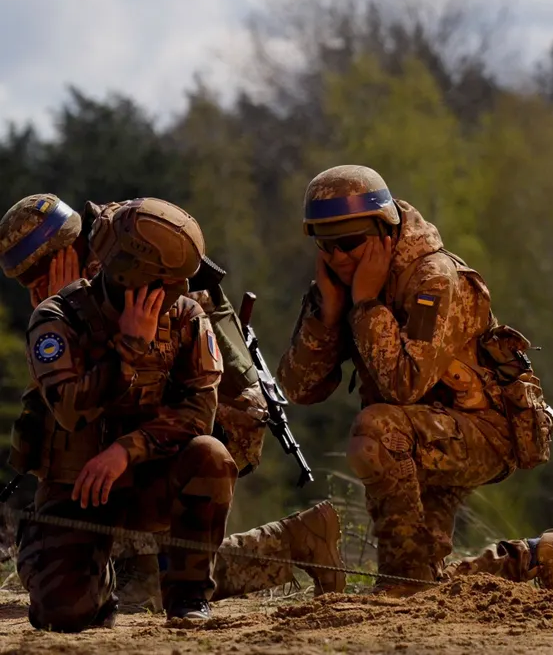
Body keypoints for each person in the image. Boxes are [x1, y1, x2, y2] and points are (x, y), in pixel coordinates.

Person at [0, 194, 345, 614]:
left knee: (145, 589)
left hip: (196, 434)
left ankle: (288, 545)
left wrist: (125, 444)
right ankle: (289, 542)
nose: (36, 290)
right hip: (126, 446)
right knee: (91, 592)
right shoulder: (86, 286)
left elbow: (193, 404)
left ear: (67, 253)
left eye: (40, 275)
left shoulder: (150, 276)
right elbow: (65, 408)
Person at [277, 165, 553, 596]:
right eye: (325, 244)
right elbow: (299, 389)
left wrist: (367, 305)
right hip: (421, 435)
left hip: (481, 430)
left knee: (376, 428)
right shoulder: (342, 284)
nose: (337, 257)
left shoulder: (432, 278)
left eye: (350, 243)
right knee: (429, 580)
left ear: (384, 230)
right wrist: (328, 317)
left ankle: (398, 587)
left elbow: (403, 385)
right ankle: (539, 558)